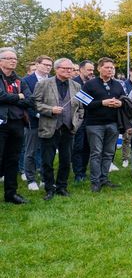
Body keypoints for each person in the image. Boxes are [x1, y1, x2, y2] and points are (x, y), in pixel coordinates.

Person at [33, 58, 83, 200]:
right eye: (65, 68)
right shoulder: (43, 84)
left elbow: (81, 108)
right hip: (49, 128)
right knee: (47, 161)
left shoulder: (76, 86)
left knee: (66, 160)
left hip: (68, 129)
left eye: (71, 69)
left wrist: (76, 123)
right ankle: (49, 188)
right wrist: (50, 109)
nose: (68, 71)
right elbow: (35, 103)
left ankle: (62, 186)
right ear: (56, 69)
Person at [83, 57, 125, 192]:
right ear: (99, 68)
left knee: (108, 153)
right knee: (96, 153)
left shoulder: (118, 85)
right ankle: (95, 182)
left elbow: (124, 99)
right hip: (94, 124)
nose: (110, 70)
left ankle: (104, 179)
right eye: (107, 67)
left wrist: (120, 103)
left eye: (112, 68)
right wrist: (102, 103)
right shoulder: (89, 84)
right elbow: (84, 103)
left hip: (113, 124)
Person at [0, 47, 34, 204]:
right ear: (1, 61)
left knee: (13, 159)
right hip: (1, 123)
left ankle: (11, 194)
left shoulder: (19, 80)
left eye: (15, 58)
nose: (13, 61)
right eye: (9, 58)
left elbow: (29, 100)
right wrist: (17, 96)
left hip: (17, 124)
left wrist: (13, 97)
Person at [22, 55, 53, 191]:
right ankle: (31, 179)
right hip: (33, 121)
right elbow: (28, 102)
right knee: (31, 151)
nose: (48, 67)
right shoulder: (26, 81)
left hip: (50, 121)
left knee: (47, 151)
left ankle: (45, 178)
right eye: (45, 64)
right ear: (37, 64)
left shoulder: (53, 80)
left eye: (50, 65)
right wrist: (39, 113)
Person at [71, 60, 94, 182]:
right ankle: (78, 173)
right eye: (89, 70)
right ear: (81, 70)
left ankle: (83, 171)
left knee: (88, 147)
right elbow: (83, 102)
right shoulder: (74, 83)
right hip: (79, 120)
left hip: (91, 119)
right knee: (78, 147)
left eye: (92, 70)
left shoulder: (93, 83)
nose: (91, 72)